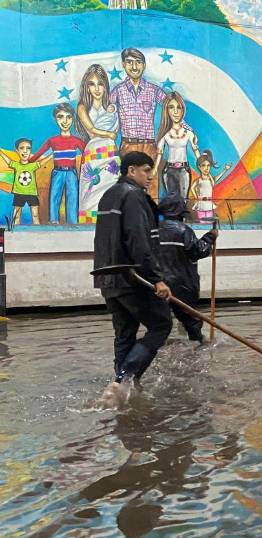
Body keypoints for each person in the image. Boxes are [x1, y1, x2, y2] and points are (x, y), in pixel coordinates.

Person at [93, 151, 172, 403]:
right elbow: (139, 240)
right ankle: (124, 379)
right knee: (161, 325)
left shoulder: (108, 196)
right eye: (146, 170)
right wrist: (156, 278)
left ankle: (120, 392)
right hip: (132, 277)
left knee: (125, 333)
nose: (151, 176)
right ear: (131, 171)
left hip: (108, 277)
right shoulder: (134, 196)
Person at [158, 192, 217, 343]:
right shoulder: (184, 231)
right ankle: (200, 346)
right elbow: (198, 251)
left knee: (159, 325)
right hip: (182, 286)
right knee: (191, 322)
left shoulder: (153, 230)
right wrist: (209, 238)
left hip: (158, 285)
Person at [110, 48, 166, 197]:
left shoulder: (154, 90)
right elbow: (106, 115)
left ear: (144, 65)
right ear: (123, 64)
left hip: (149, 146)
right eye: (129, 62)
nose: (134, 67)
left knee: (151, 185)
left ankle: (151, 218)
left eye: (138, 62)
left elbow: (173, 110)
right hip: (127, 146)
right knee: (128, 187)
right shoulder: (117, 91)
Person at [76, 64, 121, 222]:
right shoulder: (83, 107)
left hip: (110, 153)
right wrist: (107, 133)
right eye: (92, 84)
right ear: (87, 87)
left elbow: (116, 131)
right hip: (93, 152)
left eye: (100, 84)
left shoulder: (112, 108)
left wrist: (110, 133)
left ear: (105, 86)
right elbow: (92, 129)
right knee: (90, 193)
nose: (96, 88)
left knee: (111, 189)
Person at [31, 103, 85, 224]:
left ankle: (72, 222)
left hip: (71, 172)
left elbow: (87, 154)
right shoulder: (52, 140)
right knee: (54, 196)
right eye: (60, 117)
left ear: (72, 118)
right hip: (57, 172)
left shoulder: (77, 141)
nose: (65, 121)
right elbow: (37, 155)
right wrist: (26, 161)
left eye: (68, 117)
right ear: (55, 119)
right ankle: (53, 220)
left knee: (73, 197)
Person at [154, 91, 200, 200]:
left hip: (184, 170)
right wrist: (154, 169)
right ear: (166, 110)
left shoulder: (188, 132)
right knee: (171, 201)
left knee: (183, 200)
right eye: (171, 107)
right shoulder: (165, 133)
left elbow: (196, 151)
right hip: (168, 170)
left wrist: (203, 169)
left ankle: (181, 217)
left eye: (178, 107)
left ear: (183, 110)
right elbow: (159, 154)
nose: (175, 112)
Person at [0, 138, 51, 225]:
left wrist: (51, 155)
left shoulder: (32, 166)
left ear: (31, 150)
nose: (25, 151)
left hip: (32, 193)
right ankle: (15, 235)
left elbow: (42, 162)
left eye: (28, 148)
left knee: (35, 216)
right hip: (18, 193)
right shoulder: (15, 165)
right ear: (17, 151)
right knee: (16, 216)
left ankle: (38, 235)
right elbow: (8, 161)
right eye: (22, 148)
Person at [189, 150, 231, 222]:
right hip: (201, 204)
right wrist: (196, 197)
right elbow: (192, 188)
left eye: (208, 165)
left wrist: (225, 170)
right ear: (199, 167)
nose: (206, 168)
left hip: (209, 204)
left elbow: (217, 177)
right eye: (203, 165)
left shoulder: (211, 180)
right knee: (202, 221)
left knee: (209, 222)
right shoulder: (198, 180)